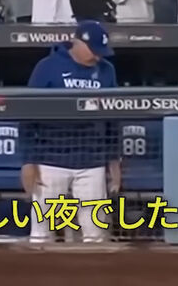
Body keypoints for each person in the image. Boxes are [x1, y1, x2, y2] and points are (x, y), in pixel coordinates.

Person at [22, 21, 118, 244]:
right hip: (50, 160)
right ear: (78, 43)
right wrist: (28, 162)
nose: (98, 57)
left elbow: (114, 119)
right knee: (41, 234)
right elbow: (26, 115)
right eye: (94, 51)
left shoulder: (107, 70)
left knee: (95, 234)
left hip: (92, 161)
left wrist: (113, 160)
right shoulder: (47, 67)